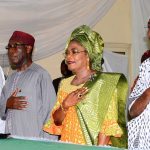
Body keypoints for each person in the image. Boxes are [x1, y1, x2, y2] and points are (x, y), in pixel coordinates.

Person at [43, 25, 128, 148]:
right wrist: (65, 105)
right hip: (66, 144)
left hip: (90, 146)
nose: (68, 57)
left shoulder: (103, 82)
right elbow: (56, 121)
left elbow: (107, 126)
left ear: (88, 54)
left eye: (74, 52)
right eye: (67, 53)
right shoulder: (64, 83)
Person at [0, 31, 57, 140]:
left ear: (28, 49)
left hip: (34, 144)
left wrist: (48, 145)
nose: (11, 51)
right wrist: (7, 105)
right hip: (12, 142)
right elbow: (1, 111)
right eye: (9, 47)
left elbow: (51, 115)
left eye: (16, 46)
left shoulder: (40, 75)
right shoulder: (10, 79)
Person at [128, 19, 150, 149]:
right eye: (148, 28)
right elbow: (132, 111)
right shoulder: (147, 66)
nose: (148, 34)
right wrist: (147, 93)